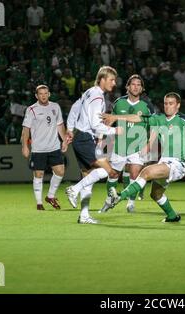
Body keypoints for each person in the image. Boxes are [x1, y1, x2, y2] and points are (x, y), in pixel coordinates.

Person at [103, 92, 185, 222]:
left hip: (177, 164)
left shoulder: (183, 120)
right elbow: (137, 118)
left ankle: (120, 196)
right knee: (156, 194)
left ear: (178, 106)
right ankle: (172, 216)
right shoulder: (158, 119)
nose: (167, 106)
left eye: (171, 104)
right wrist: (116, 117)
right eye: (165, 103)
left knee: (146, 171)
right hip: (164, 162)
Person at [65, 66, 123, 224]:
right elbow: (95, 124)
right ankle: (73, 189)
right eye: (111, 79)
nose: (114, 83)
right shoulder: (97, 97)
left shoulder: (89, 92)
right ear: (102, 79)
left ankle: (84, 216)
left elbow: (75, 108)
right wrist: (114, 130)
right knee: (108, 171)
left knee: (88, 177)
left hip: (81, 137)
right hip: (84, 138)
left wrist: (70, 129)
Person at [99, 74, 155, 213]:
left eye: (138, 85)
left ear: (142, 88)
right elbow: (109, 121)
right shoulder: (118, 103)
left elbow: (155, 126)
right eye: (133, 84)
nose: (136, 87)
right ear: (127, 87)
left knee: (135, 174)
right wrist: (101, 139)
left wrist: (148, 145)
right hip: (120, 146)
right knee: (112, 175)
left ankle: (131, 203)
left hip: (138, 146)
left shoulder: (147, 105)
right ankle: (109, 200)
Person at [21, 85, 68, 211]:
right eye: (40, 93)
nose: (43, 95)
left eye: (45, 93)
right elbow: (26, 129)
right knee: (39, 174)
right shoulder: (32, 109)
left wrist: (64, 141)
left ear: (49, 94)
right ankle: (39, 203)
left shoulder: (55, 107)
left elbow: (60, 125)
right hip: (38, 148)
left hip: (54, 146)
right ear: (36, 96)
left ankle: (50, 196)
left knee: (60, 171)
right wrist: (25, 146)